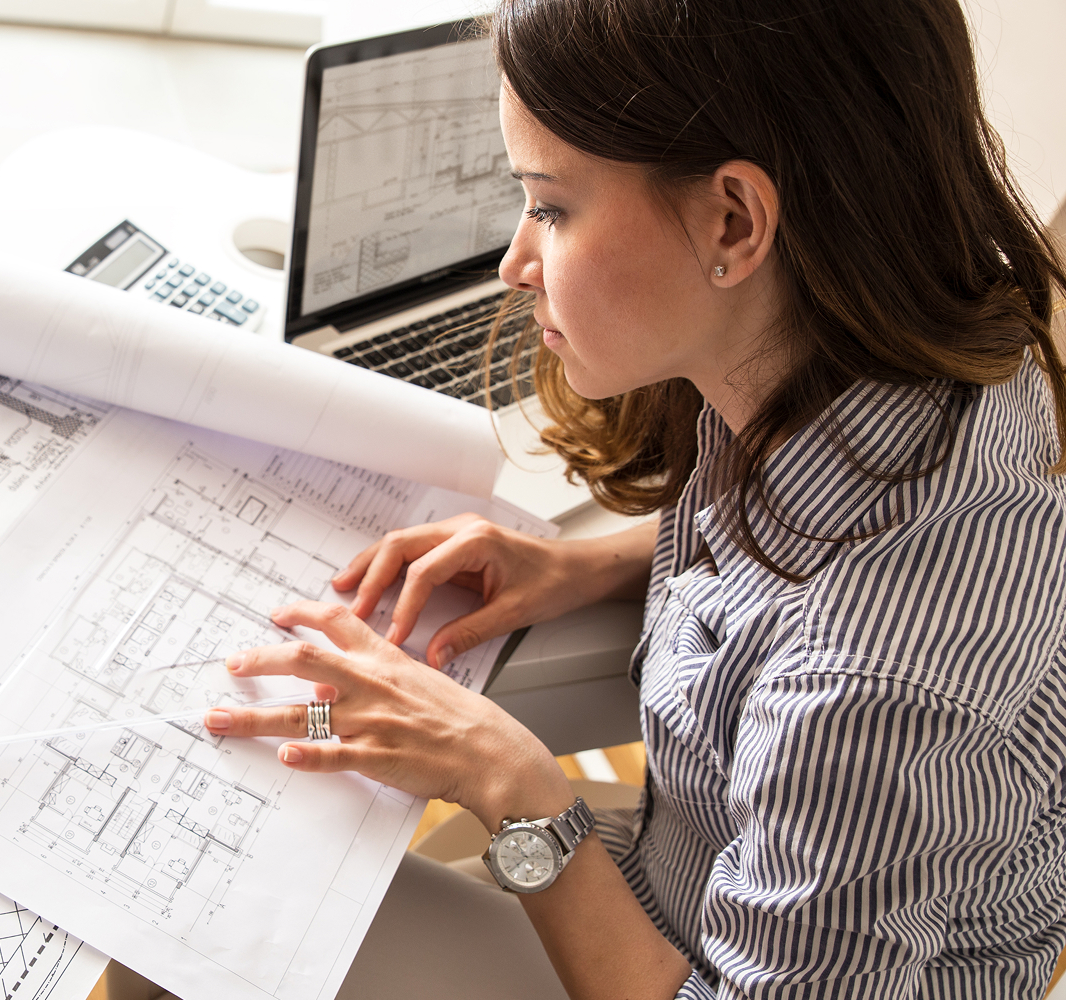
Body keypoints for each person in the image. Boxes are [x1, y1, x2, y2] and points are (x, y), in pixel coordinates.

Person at [200, 0, 1066, 996]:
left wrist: (510, 787)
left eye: (551, 206)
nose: (514, 263)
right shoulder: (915, 335)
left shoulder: (872, 684)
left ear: (732, 222)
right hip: (688, 874)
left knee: (208, 931)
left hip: (701, 964)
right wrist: (583, 564)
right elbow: (799, 541)